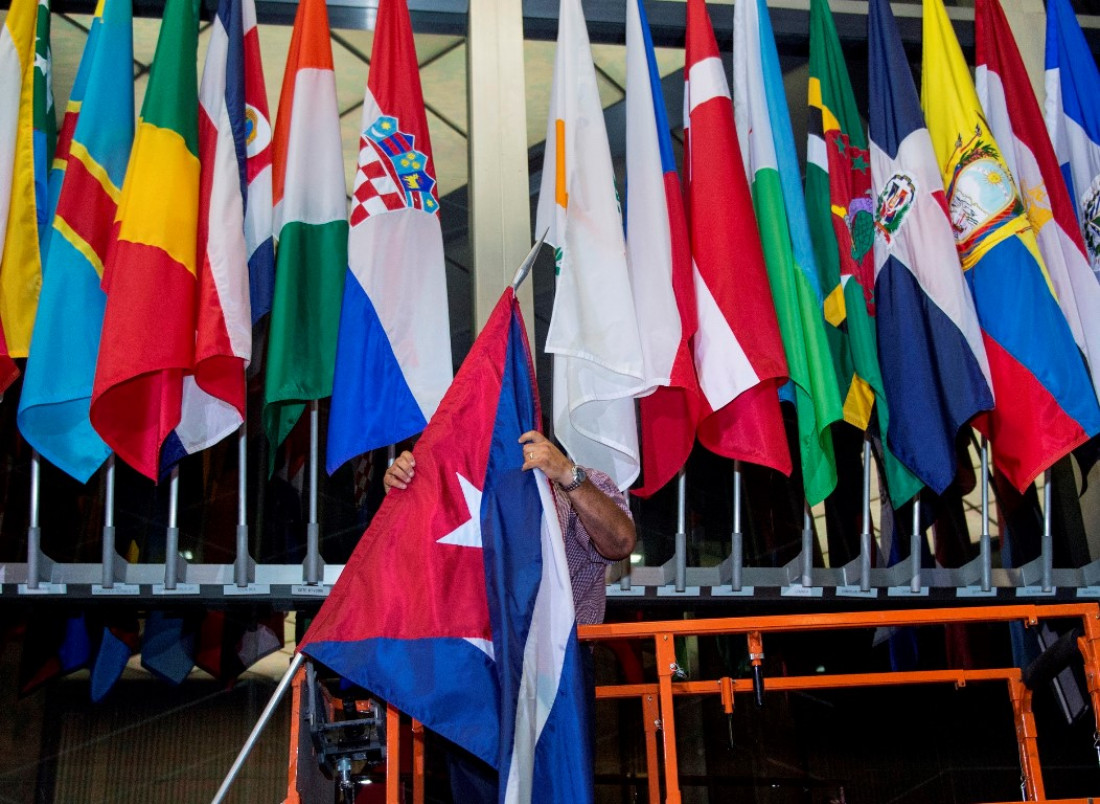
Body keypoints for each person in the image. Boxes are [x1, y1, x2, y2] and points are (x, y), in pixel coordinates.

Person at [383, 428, 637, 801]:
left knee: (556, 790)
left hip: (557, 664)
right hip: (476, 661)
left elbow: (621, 542)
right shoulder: (457, 489)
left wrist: (568, 475)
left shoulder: (583, 479)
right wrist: (403, 491)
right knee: (477, 791)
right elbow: (407, 565)